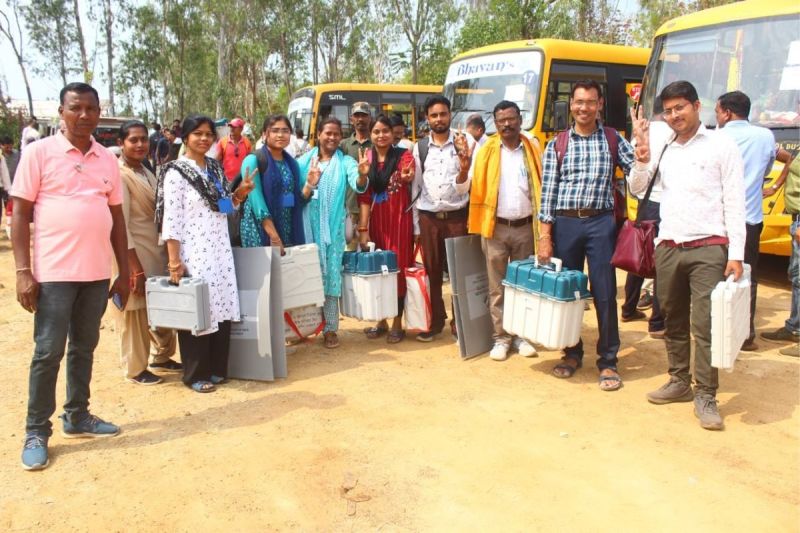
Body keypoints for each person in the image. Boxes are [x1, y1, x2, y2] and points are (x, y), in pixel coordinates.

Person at [11, 82, 130, 471]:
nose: (84, 115)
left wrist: (124, 271)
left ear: (99, 113)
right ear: (61, 112)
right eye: (75, 108)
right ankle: (35, 430)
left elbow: (116, 219)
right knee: (48, 352)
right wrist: (23, 272)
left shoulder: (106, 158)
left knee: (84, 348)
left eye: (91, 109)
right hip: (53, 275)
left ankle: (77, 415)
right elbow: (21, 214)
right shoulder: (38, 153)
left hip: (95, 275)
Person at [630, 80, 745, 430]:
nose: (674, 115)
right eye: (668, 110)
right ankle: (679, 380)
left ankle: (706, 393)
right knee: (673, 321)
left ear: (697, 106)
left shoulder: (721, 146)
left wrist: (736, 252)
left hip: (708, 247)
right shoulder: (665, 146)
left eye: (680, 107)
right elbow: (638, 189)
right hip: (668, 246)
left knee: (705, 324)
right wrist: (641, 157)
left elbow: (735, 201)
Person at [538, 80, 635, 391]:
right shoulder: (557, 144)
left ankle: (608, 361)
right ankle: (571, 351)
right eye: (578, 102)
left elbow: (639, 171)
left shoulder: (612, 139)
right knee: (568, 293)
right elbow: (548, 193)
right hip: (565, 224)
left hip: (601, 223)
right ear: (572, 105)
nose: (583, 108)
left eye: (590, 102)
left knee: (605, 293)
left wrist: (644, 148)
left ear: (600, 105)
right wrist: (545, 234)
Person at [156, 114, 255, 393]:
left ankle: (216, 368)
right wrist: (175, 261)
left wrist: (240, 194)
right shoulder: (176, 172)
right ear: (185, 137)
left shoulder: (214, 168)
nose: (203, 139)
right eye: (197, 133)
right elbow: (171, 220)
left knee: (220, 308)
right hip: (194, 252)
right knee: (199, 310)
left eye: (208, 134)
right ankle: (195, 373)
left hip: (219, 250)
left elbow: (225, 208)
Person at [715, 90, 793, 351]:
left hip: (721, 220)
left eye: (717, 112)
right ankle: (746, 334)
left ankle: (720, 331)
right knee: (748, 274)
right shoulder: (765, 135)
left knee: (716, 275)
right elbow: (786, 160)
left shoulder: (716, 137)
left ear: (726, 112)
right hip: (751, 218)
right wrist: (773, 187)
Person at [465, 100, 541, 361]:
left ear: (520, 119)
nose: (506, 124)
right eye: (501, 121)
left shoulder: (532, 147)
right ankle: (501, 338)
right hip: (495, 227)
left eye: (511, 119)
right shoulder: (485, 151)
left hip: (525, 228)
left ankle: (521, 336)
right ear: (495, 124)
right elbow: (470, 185)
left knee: (523, 286)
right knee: (497, 287)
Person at [115, 120, 181, 385]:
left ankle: (162, 356)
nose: (141, 144)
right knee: (134, 312)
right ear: (121, 143)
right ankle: (135, 368)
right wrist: (132, 267)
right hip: (133, 252)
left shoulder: (145, 170)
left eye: (144, 139)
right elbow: (120, 224)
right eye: (133, 140)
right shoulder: (120, 175)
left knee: (159, 306)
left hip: (154, 251)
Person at [297, 117, 370, 348]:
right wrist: (309, 184)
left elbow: (357, 183)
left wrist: (362, 174)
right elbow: (300, 196)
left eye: (337, 134)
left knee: (331, 279)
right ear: (318, 134)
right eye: (327, 133)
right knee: (307, 278)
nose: (332, 137)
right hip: (309, 231)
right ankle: (304, 327)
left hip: (334, 233)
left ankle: (330, 329)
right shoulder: (303, 162)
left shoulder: (346, 161)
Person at [411, 95, 475, 342]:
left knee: (460, 273)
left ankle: (460, 323)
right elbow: (416, 188)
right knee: (432, 272)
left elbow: (465, 189)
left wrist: (464, 167)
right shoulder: (420, 148)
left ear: (450, 115)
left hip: (457, 216)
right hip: (429, 219)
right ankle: (435, 321)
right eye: (434, 115)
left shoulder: (464, 143)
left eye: (443, 114)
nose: (439, 119)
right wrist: (417, 225)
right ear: (427, 119)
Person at [358, 115, 416, 343]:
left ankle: (397, 321)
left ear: (393, 133)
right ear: (370, 134)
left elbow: (407, 175)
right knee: (377, 270)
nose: (381, 135)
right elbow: (364, 194)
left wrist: (406, 177)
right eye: (376, 131)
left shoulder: (404, 156)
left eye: (385, 131)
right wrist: (363, 229)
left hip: (399, 221)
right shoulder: (367, 158)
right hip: (376, 221)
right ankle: (380, 319)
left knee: (398, 268)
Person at [620, 120, 673, 339]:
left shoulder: (643, 132)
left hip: (644, 202)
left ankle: (628, 309)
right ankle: (657, 322)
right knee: (661, 264)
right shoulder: (673, 134)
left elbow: (632, 171)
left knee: (639, 258)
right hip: (666, 203)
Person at [239, 115, 305, 252]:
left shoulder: (292, 164)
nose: (280, 135)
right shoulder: (253, 160)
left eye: (285, 131)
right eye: (275, 130)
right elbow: (258, 204)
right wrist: (274, 237)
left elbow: (294, 199)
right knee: (262, 272)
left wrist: (309, 184)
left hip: (286, 228)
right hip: (259, 230)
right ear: (264, 135)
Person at [760, 155, 799, 356]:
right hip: (795, 219)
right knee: (797, 277)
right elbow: (791, 161)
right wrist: (775, 188)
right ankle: (794, 327)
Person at [341, 102, 373, 249]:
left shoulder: (376, 143)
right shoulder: (344, 145)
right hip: (351, 208)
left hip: (374, 208)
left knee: (372, 250)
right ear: (351, 119)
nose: (360, 119)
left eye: (364, 115)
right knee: (350, 251)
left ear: (370, 118)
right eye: (357, 115)